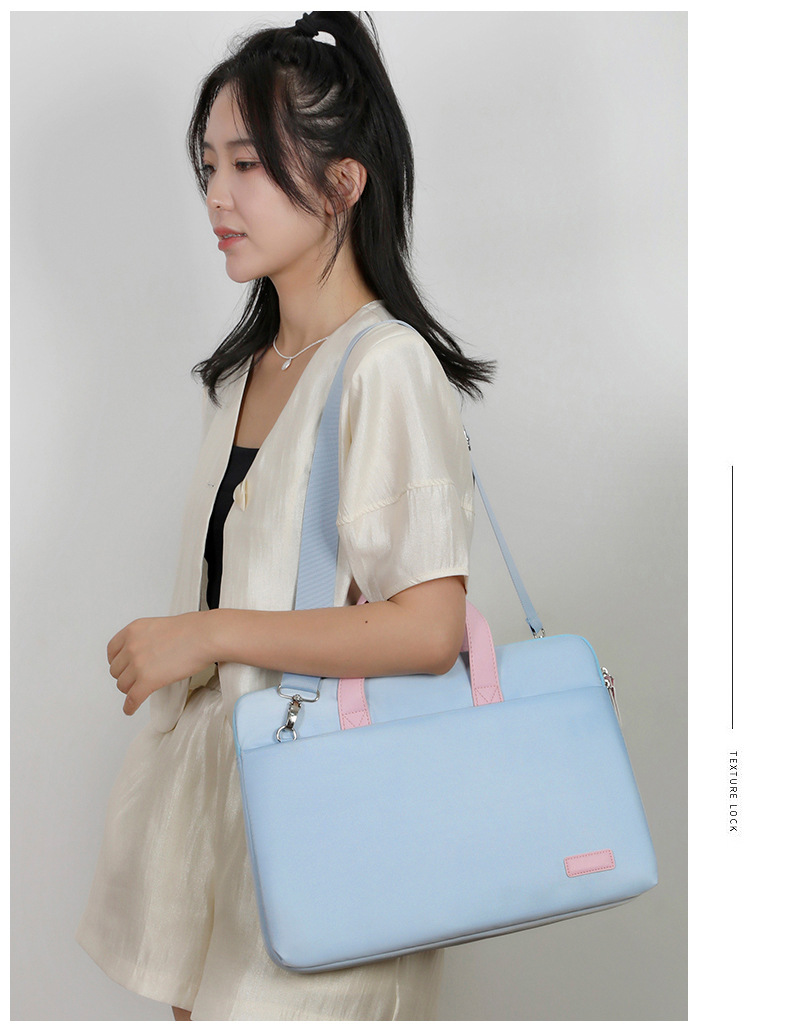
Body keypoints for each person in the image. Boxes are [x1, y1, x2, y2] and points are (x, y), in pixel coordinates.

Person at [75, 11, 495, 1021]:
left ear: (343, 184)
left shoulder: (385, 367)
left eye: (249, 165)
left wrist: (205, 633)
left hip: (331, 833)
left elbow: (429, 627)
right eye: (207, 167)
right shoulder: (244, 376)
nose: (216, 197)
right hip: (221, 828)